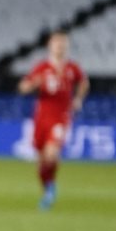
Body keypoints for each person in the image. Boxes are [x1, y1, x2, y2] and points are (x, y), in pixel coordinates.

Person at [18, 31, 87, 210]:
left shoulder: (72, 68)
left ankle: (50, 188)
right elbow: (23, 87)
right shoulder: (42, 67)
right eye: (57, 44)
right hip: (41, 119)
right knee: (42, 161)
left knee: (51, 154)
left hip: (60, 118)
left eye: (63, 44)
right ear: (50, 46)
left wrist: (78, 99)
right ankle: (49, 187)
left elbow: (84, 82)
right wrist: (34, 85)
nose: (60, 47)